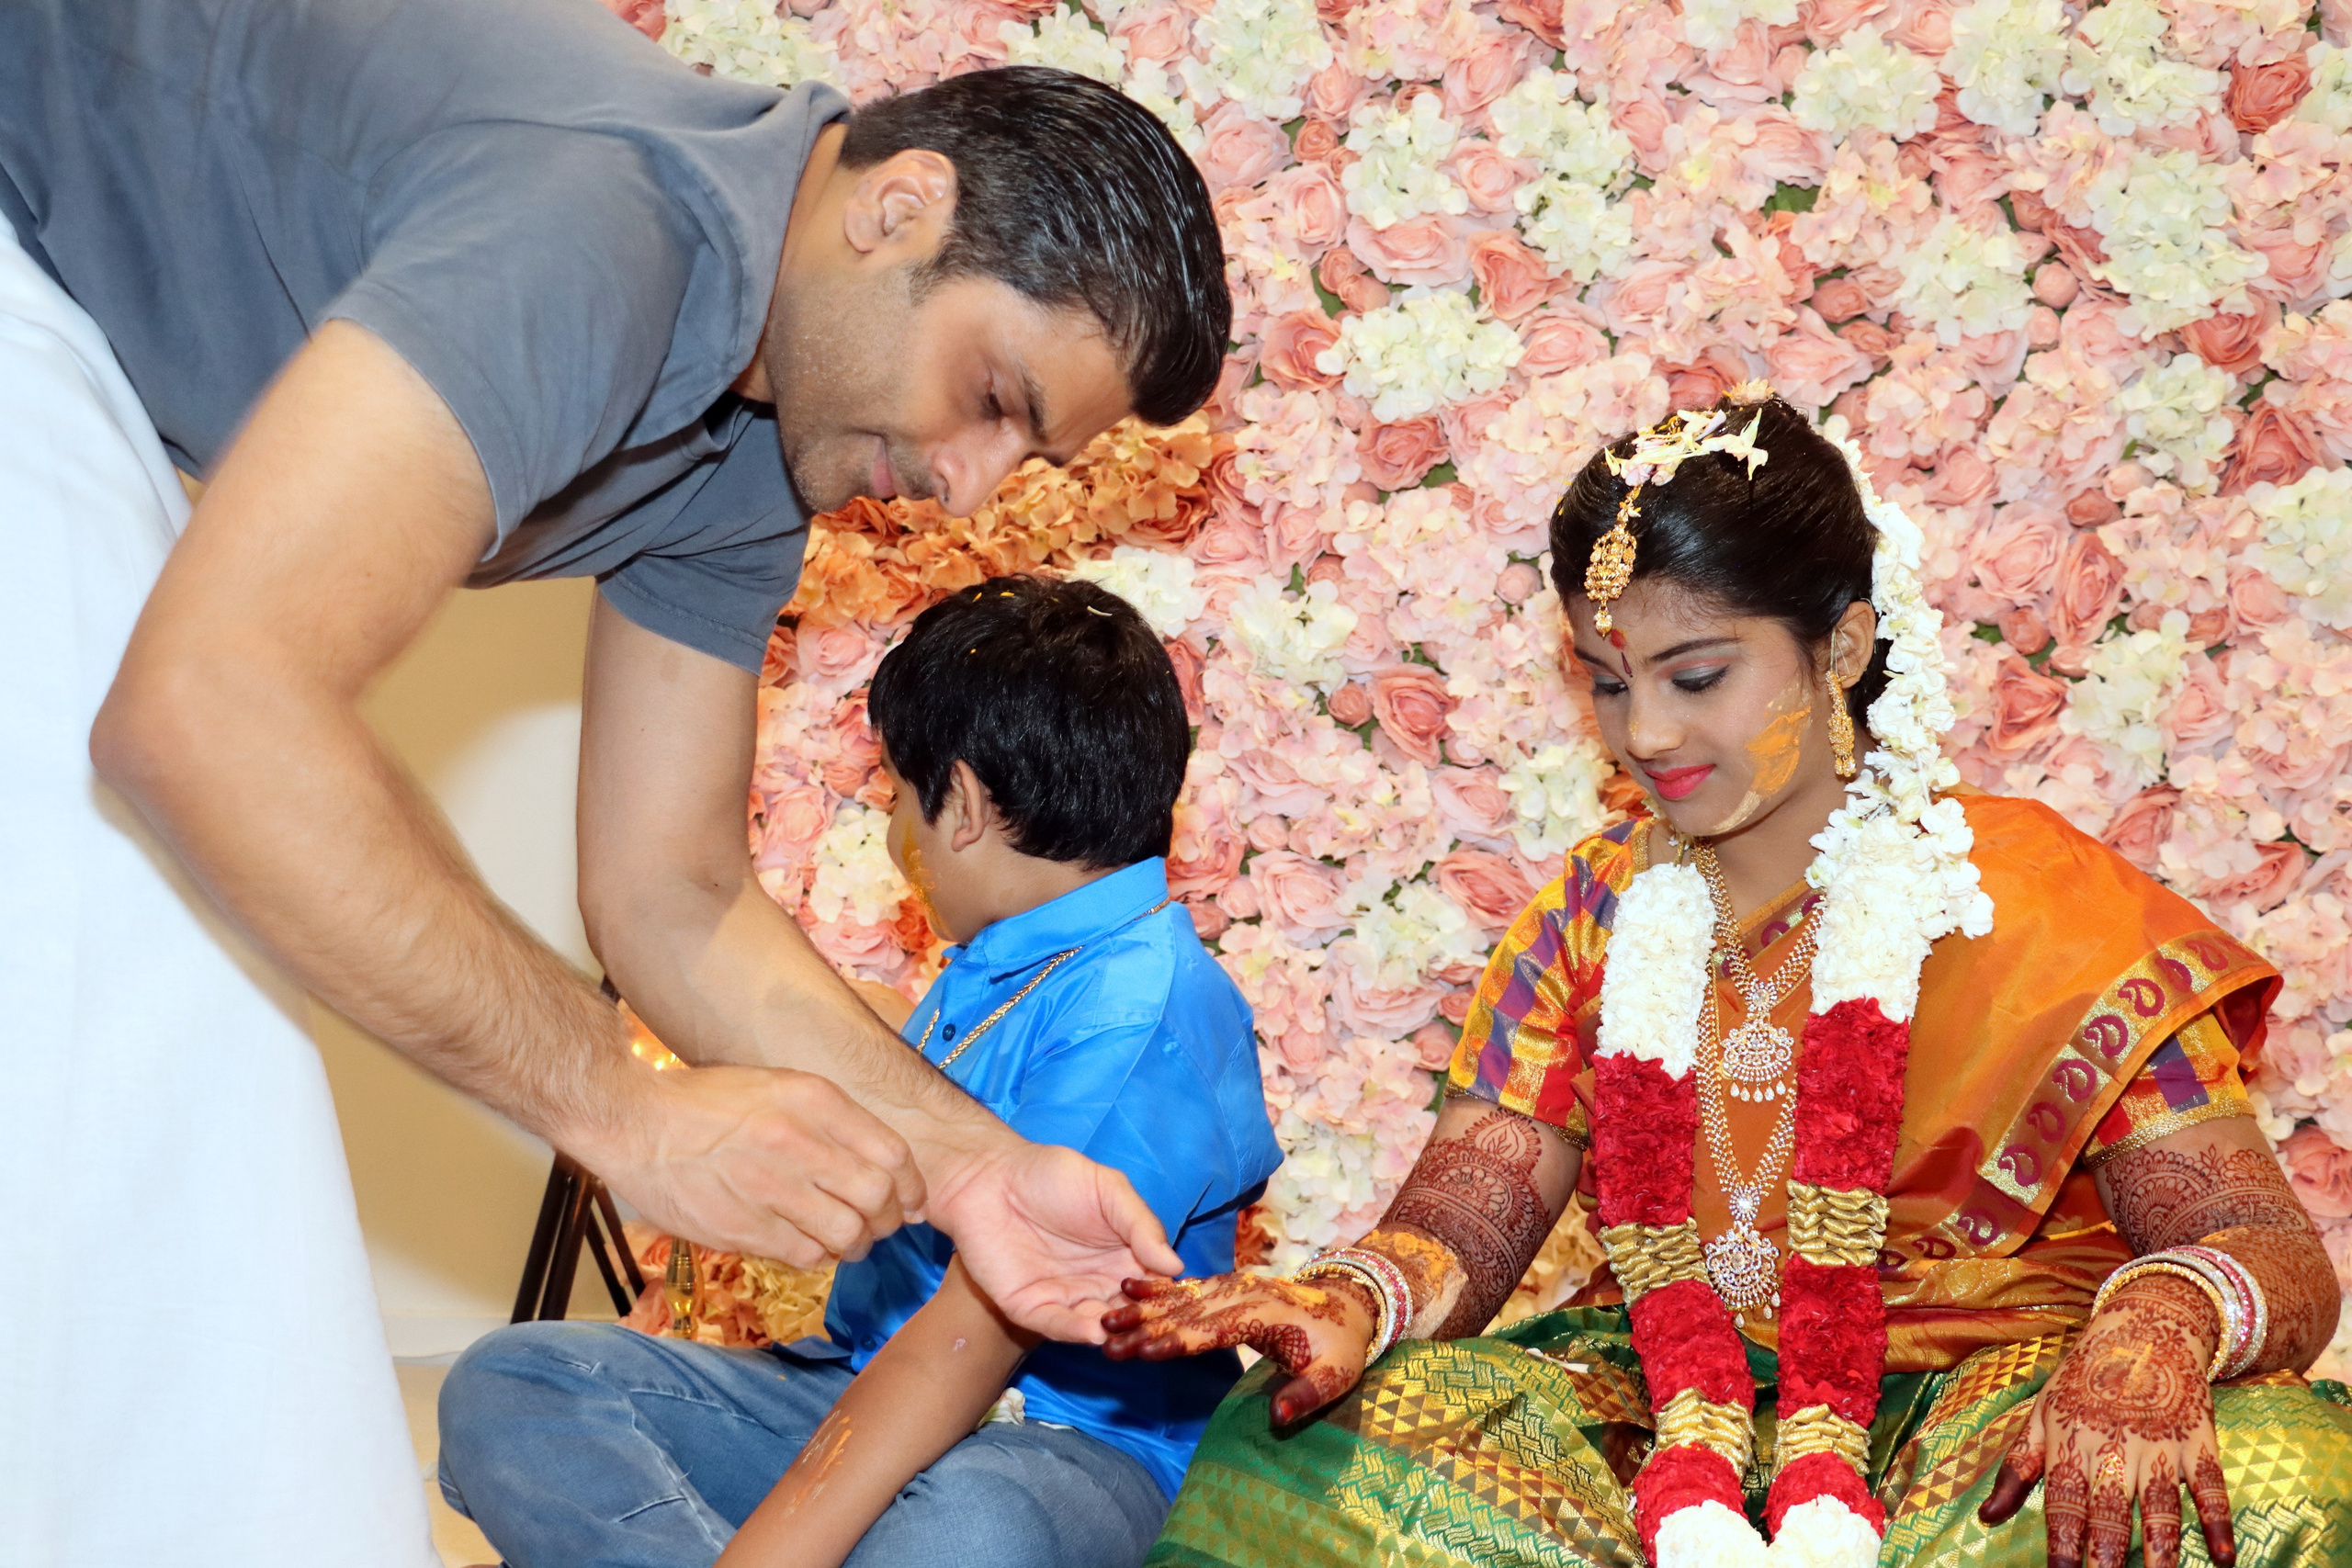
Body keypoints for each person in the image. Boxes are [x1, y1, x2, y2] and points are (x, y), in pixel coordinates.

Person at [0, 0, 1227, 1558]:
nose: (968, 490)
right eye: (993, 399)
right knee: (166, 1030)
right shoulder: (616, 228)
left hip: (64, 317)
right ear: (897, 204)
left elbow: (675, 893)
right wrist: (622, 1111)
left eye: (1026, 465)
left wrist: (973, 1168)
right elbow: (202, 709)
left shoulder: (754, 447)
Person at [1103, 390, 2352, 1568]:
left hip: (1991, 1414)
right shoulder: (1591, 914)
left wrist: (2161, 1326)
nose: (1645, 732)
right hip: (1655, 1403)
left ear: (1842, 644)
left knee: (2283, 1470)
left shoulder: (2033, 898)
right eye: (1607, 678)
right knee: (1292, 1449)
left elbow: (2267, 1250)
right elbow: (1462, 1222)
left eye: (1696, 674)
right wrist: (1349, 1301)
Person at [435, 575, 1283, 1568]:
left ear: (961, 803)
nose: (894, 837)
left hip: (1066, 1452)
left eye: (895, 799)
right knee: (519, 1385)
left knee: (967, 1531)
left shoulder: (1146, 1006)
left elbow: (967, 1348)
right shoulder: (1003, 961)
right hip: (853, 1392)